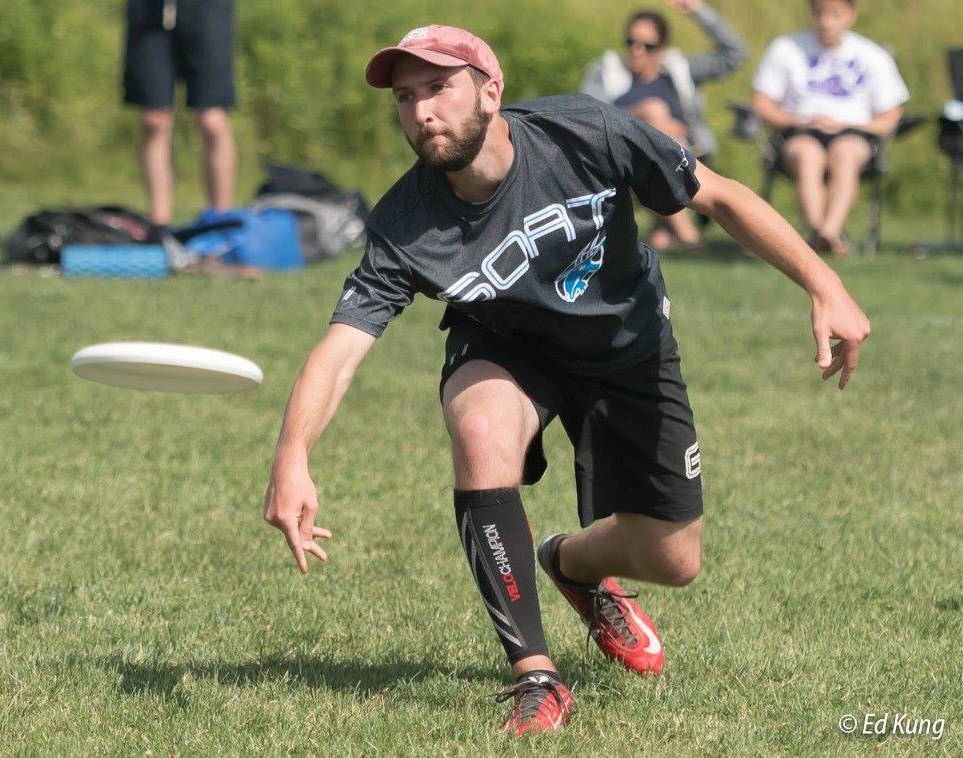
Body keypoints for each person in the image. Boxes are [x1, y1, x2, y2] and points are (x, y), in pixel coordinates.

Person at [262, 25, 870, 736]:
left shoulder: (583, 130)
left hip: (627, 345)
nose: (422, 112)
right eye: (405, 98)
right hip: (510, 346)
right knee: (481, 427)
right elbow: (341, 346)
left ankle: (572, 564)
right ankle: (537, 677)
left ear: (490, 90)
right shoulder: (405, 222)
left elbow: (720, 196)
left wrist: (824, 285)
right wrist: (292, 456)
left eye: (438, 89)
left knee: (673, 560)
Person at [581, 0, 748, 251]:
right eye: (631, 42)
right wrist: (644, 114)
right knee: (654, 114)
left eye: (648, 46)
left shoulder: (678, 71)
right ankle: (690, 237)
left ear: (662, 48)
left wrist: (698, 11)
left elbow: (735, 54)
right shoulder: (606, 72)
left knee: (660, 240)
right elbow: (585, 116)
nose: (637, 51)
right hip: (623, 165)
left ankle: (667, 230)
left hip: (685, 157)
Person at [752, 0, 909, 256]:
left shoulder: (871, 55)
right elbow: (762, 103)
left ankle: (828, 232)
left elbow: (891, 115)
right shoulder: (785, 48)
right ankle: (818, 232)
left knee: (846, 153)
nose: (826, 22)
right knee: (807, 154)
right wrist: (798, 121)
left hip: (852, 132)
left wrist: (847, 125)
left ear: (851, 15)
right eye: (819, 14)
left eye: (835, 15)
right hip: (800, 130)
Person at [123, 0, 237, 230]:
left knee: (212, 120)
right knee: (154, 120)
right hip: (149, 11)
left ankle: (221, 222)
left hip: (206, 10)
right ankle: (159, 226)